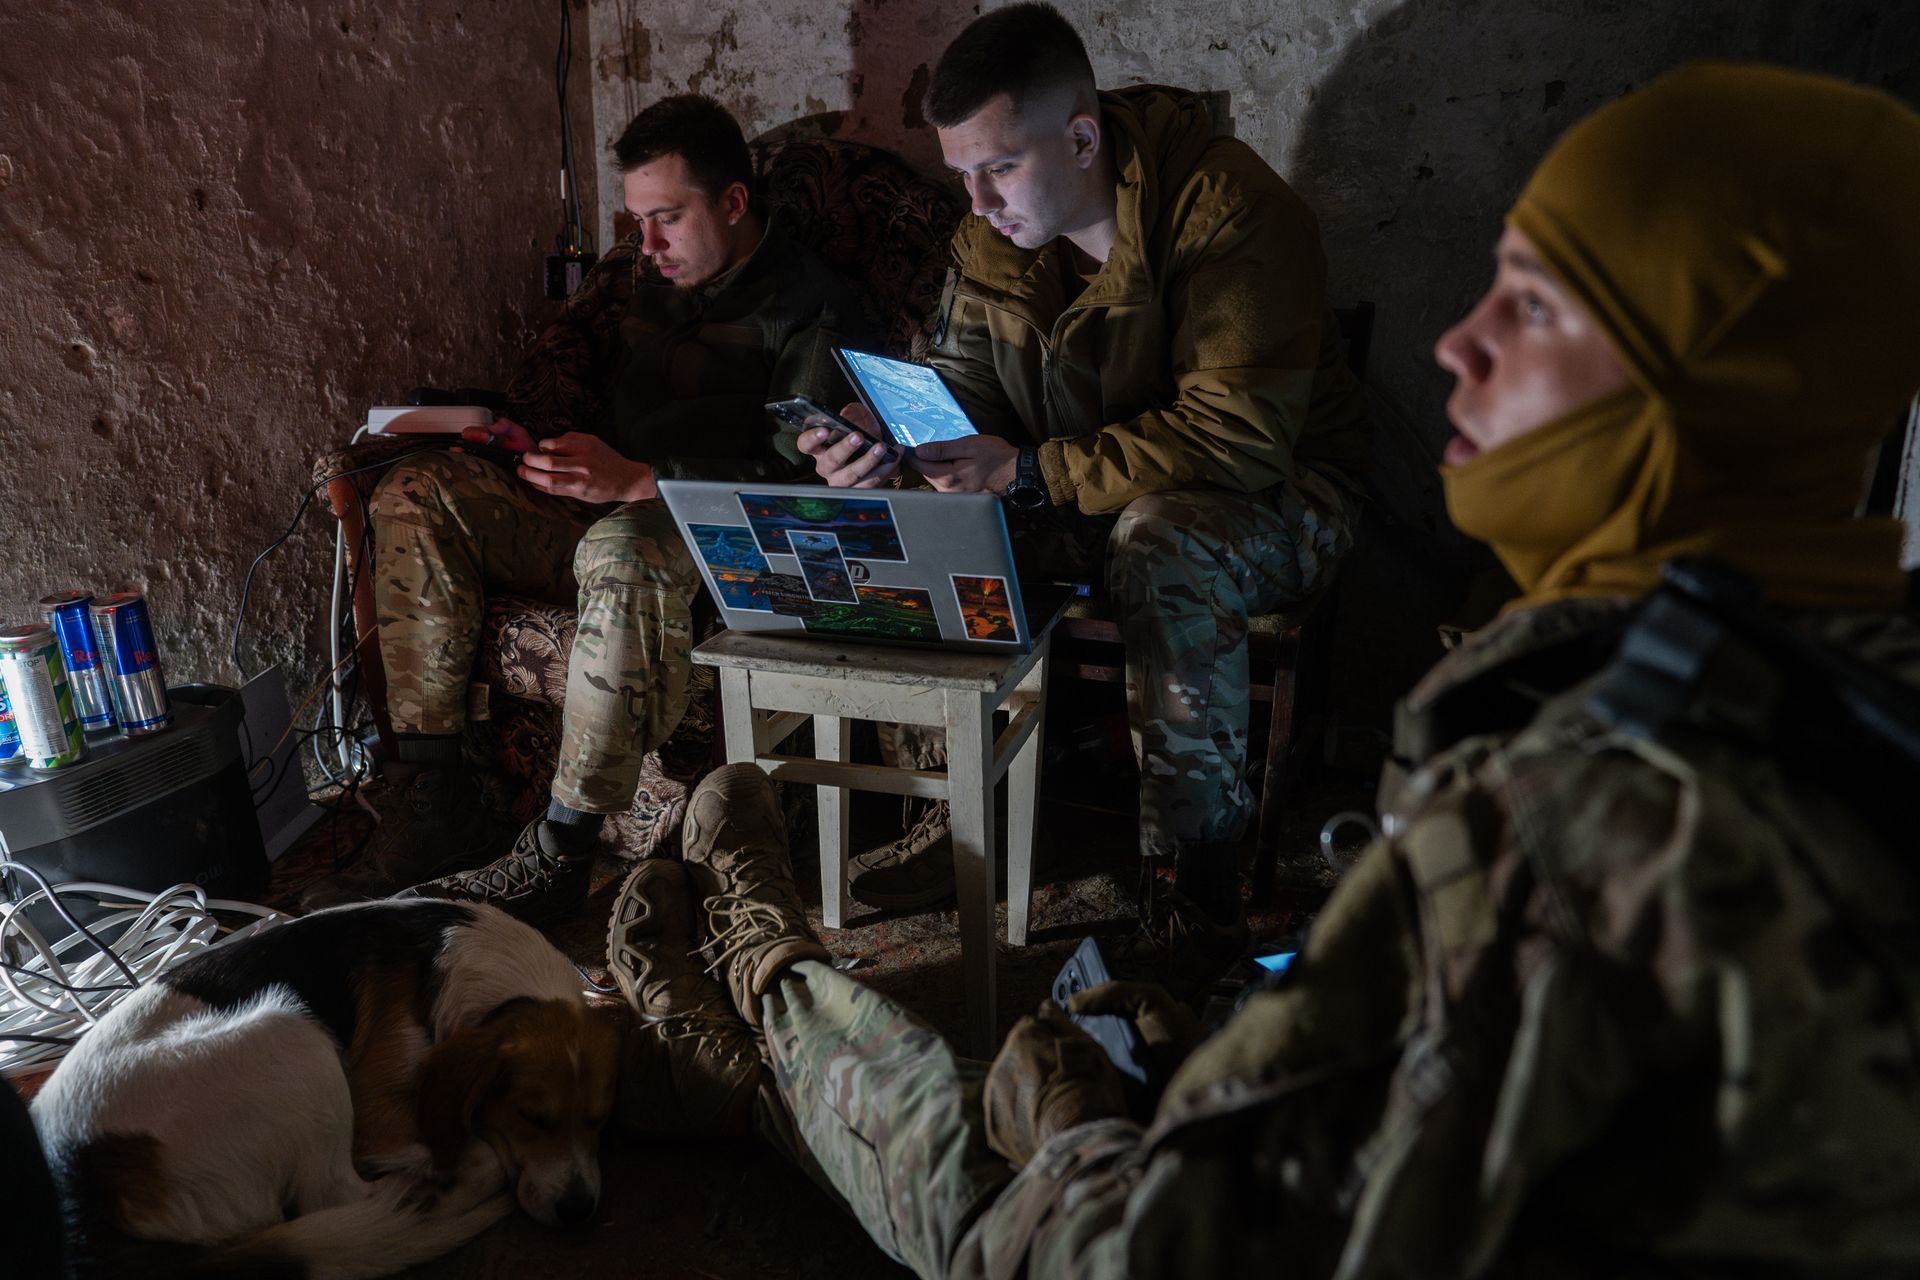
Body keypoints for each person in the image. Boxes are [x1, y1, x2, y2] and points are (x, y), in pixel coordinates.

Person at [616, 62, 1920, 1276]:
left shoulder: (1588, 820)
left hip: (1241, 501)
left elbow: (1235, 444)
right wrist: (905, 451)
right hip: (1354, 1145)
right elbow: (967, 395)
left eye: (1533, 303)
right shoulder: (1824, 671)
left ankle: (762, 959)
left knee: (974, 1151)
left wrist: (1081, 1130)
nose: (1458, 344)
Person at [797, 4, 1371, 979]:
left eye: (999, 168)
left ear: (1081, 136)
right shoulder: (993, 234)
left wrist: (1025, 470)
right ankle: (961, 810)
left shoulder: (1232, 211)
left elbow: (1238, 442)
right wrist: (890, 437)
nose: (975, 203)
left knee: (1161, 541)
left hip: (1279, 492)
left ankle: (1196, 886)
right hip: (1084, 483)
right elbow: (970, 394)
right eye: (960, 175)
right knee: (922, 513)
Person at [305, 94, 868, 922]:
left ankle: (561, 849)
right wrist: (526, 440)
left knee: (622, 551)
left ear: (735, 203)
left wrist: (643, 479)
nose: (644, 246)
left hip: (708, 532)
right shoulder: (651, 282)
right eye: (636, 221)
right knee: (420, 492)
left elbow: (805, 491)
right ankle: (433, 795)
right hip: (605, 501)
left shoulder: (814, 306)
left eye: (666, 219)